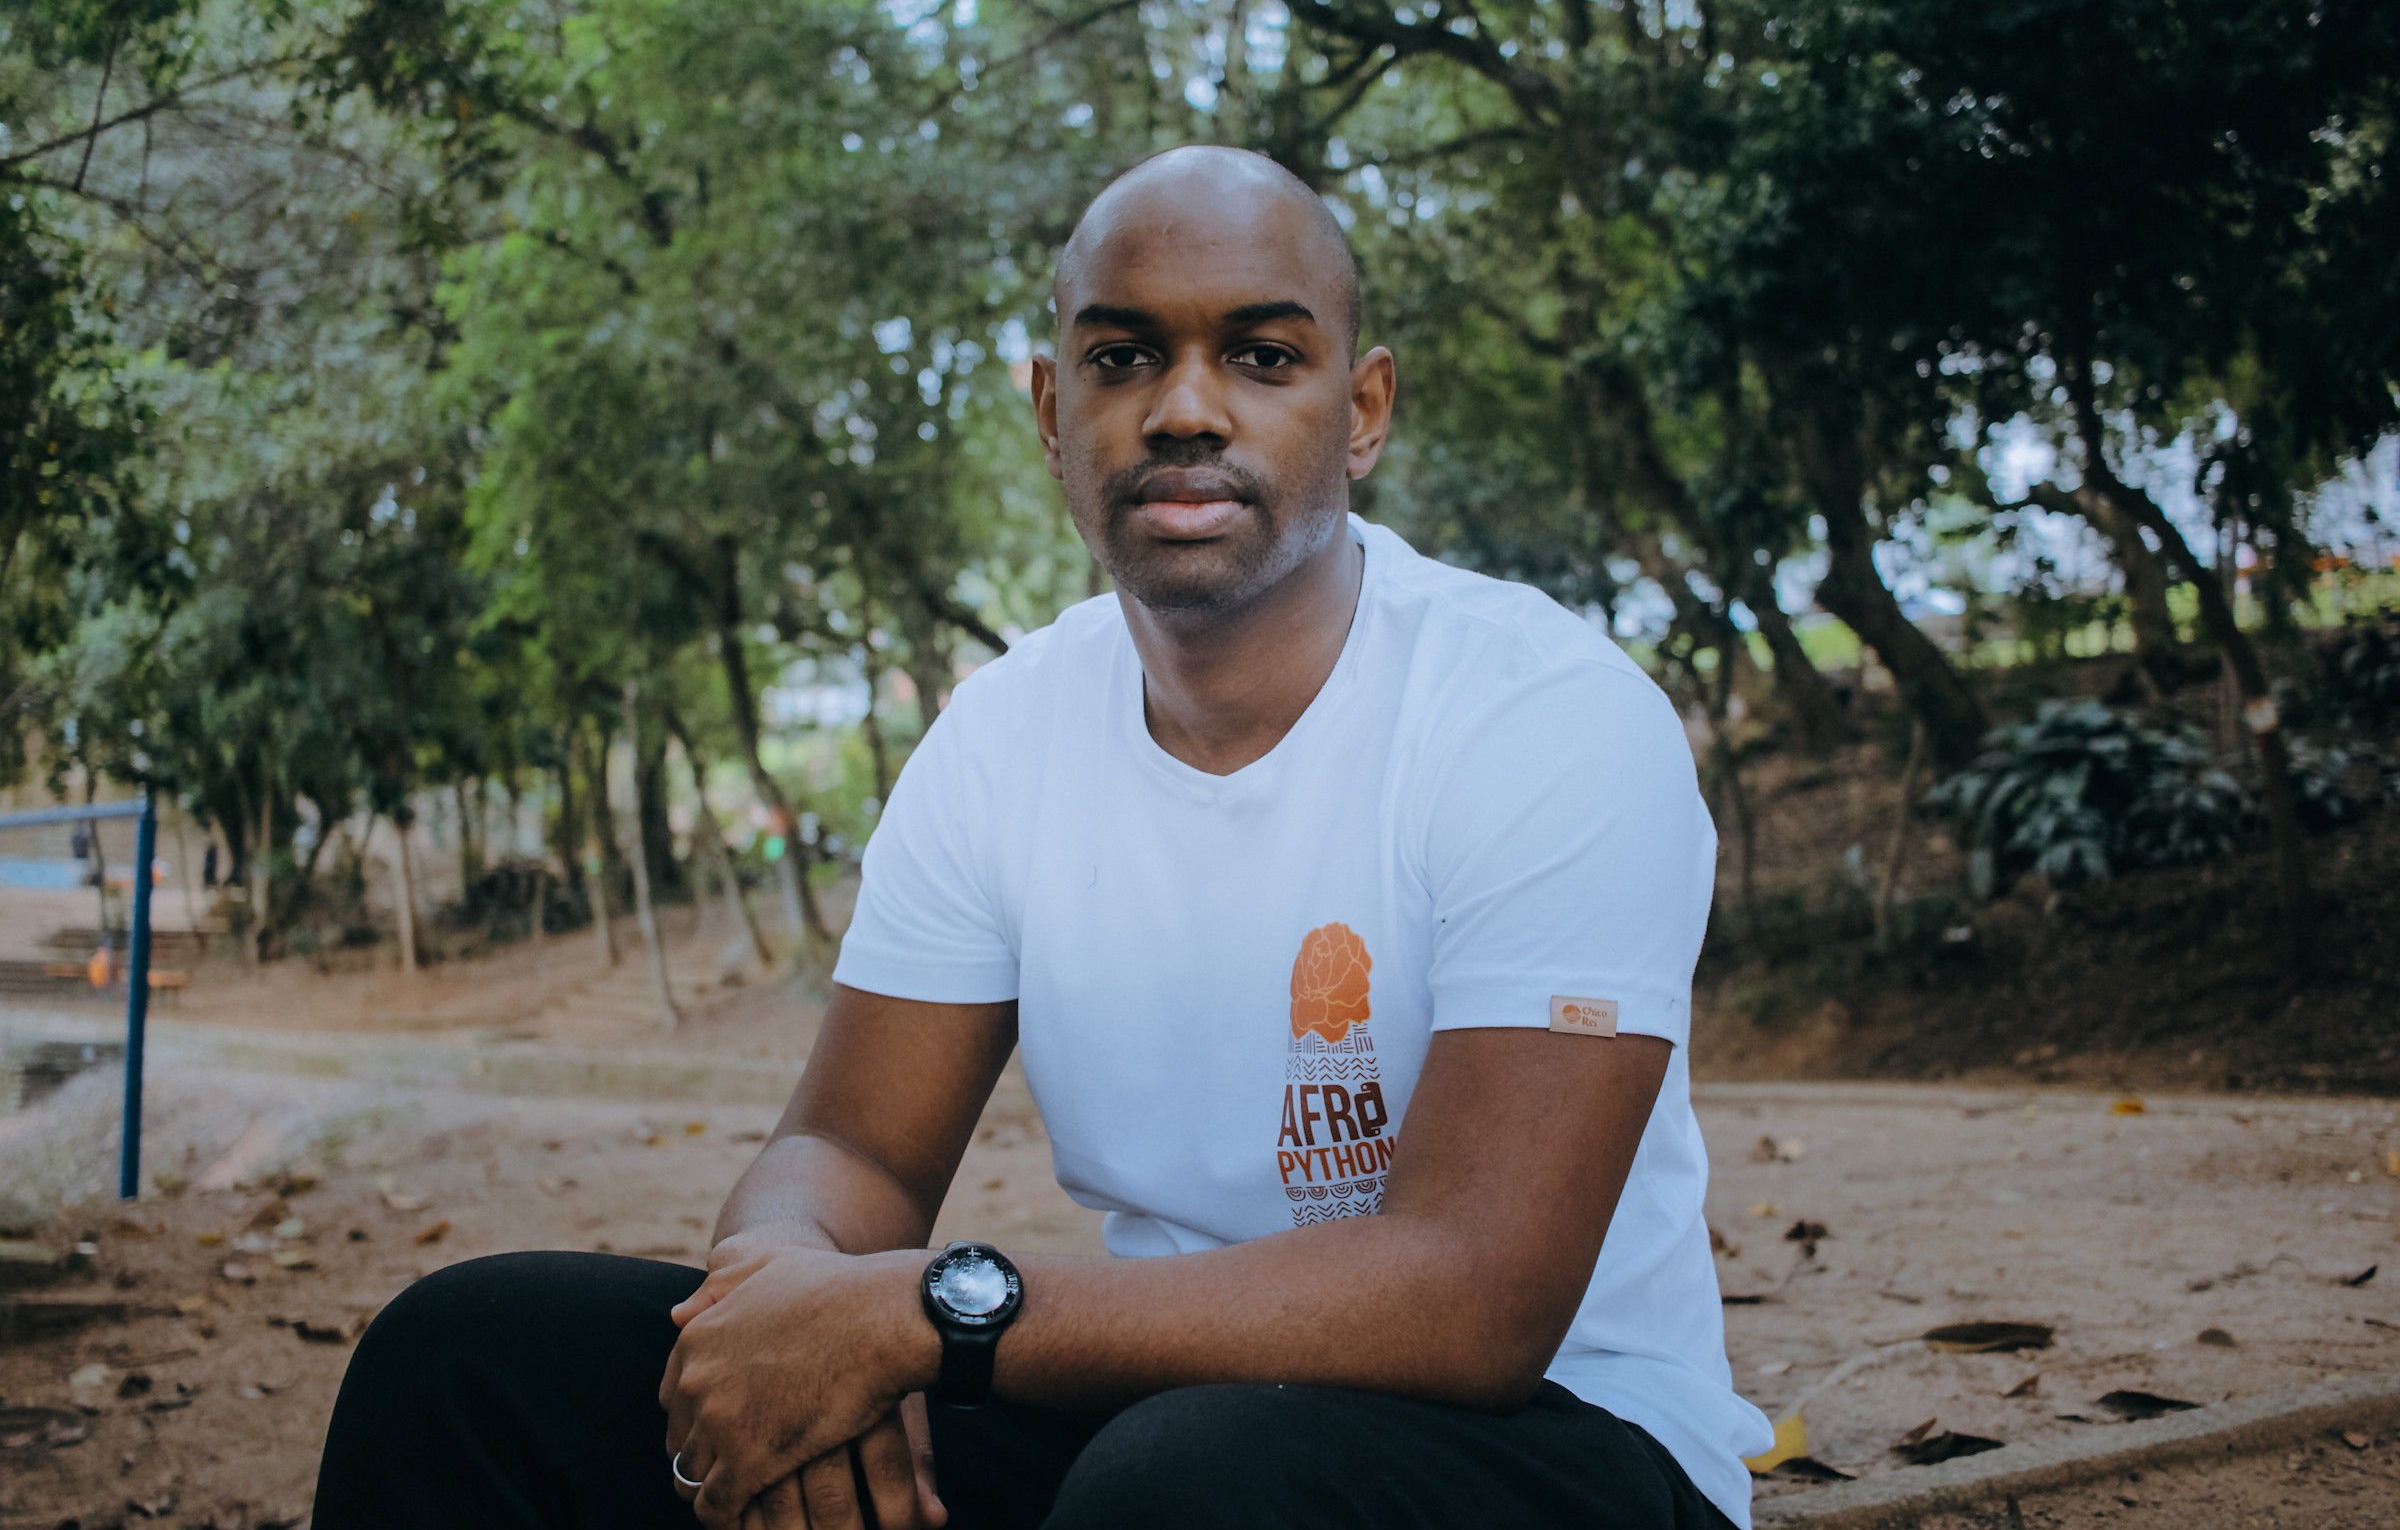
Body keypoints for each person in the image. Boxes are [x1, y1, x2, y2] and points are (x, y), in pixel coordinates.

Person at [311, 145, 1770, 1530]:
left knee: (1185, 1484)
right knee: (470, 1362)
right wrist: (792, 1298)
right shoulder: (1005, 735)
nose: (1185, 408)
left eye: (1263, 356)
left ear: (1365, 407)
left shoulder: (1545, 717)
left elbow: (1477, 1298)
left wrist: (921, 1315)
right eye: (1121, 357)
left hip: (1565, 1443)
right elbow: (848, 1147)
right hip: (1146, 1405)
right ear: (1049, 411)